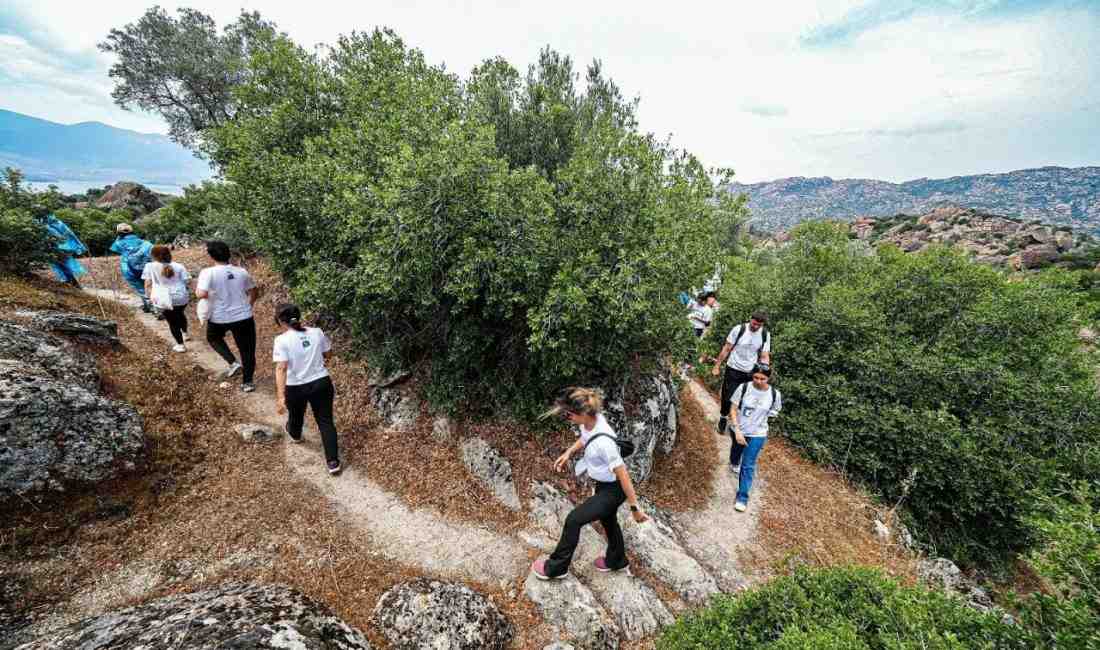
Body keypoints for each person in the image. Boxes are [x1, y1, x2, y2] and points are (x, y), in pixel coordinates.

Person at [531, 388, 649, 581]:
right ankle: (617, 560)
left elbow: (624, 476)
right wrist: (568, 453)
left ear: (584, 414)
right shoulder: (591, 422)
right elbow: (585, 438)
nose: (566, 417)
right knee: (608, 520)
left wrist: (635, 508)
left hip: (614, 489)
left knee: (574, 520)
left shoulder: (605, 444)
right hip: (604, 485)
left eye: (569, 414)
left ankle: (556, 567)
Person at [273, 304, 342, 475]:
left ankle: (295, 435)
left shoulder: (281, 340)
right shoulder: (317, 332)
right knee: (325, 421)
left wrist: (281, 396)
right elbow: (328, 354)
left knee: (296, 416)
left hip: (296, 387)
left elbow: (281, 368)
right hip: (321, 382)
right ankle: (333, 462)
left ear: (281, 321)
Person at [196, 240, 261, 392]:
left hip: (220, 317)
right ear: (228, 254)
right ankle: (248, 382)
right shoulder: (241, 271)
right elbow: (254, 291)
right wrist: (248, 305)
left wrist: (198, 291)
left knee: (213, 338)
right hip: (244, 317)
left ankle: (233, 362)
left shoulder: (207, 272)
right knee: (247, 350)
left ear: (211, 256)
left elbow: (202, 293)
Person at [728, 364, 782, 512]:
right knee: (736, 451)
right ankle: (733, 461)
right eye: (756, 377)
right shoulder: (744, 388)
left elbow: (775, 410)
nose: (758, 381)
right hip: (739, 429)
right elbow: (733, 409)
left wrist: (761, 418)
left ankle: (742, 497)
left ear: (768, 378)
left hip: (758, 433)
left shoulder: (774, 394)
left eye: (762, 379)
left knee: (748, 464)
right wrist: (738, 431)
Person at [711, 311, 772, 435]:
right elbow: (727, 348)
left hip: (750, 372)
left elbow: (764, 355)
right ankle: (723, 417)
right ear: (750, 319)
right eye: (754, 324)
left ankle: (737, 425)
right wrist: (717, 365)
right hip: (733, 368)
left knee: (745, 400)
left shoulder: (765, 335)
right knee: (728, 397)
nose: (755, 327)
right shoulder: (739, 329)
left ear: (762, 325)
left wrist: (765, 375)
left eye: (758, 325)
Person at [143, 245, 192, 352]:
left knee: (172, 321)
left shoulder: (150, 266)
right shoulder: (179, 266)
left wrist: (148, 297)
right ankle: (185, 333)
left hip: (164, 298)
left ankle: (180, 345)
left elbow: (147, 283)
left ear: (153, 256)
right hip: (181, 296)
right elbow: (188, 281)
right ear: (169, 254)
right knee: (180, 314)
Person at [110, 223, 155, 312]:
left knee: (140, 287)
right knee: (149, 286)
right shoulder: (145, 242)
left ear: (119, 233)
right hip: (146, 268)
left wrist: (118, 236)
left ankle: (150, 306)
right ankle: (153, 306)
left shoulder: (119, 243)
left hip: (129, 269)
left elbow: (114, 248)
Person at [42, 214, 87, 287]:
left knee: (62, 264)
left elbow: (69, 233)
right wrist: (79, 245)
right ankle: (72, 283)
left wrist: (79, 245)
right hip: (62, 247)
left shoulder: (51, 224)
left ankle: (72, 283)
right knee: (61, 264)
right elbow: (70, 233)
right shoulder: (56, 223)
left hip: (60, 247)